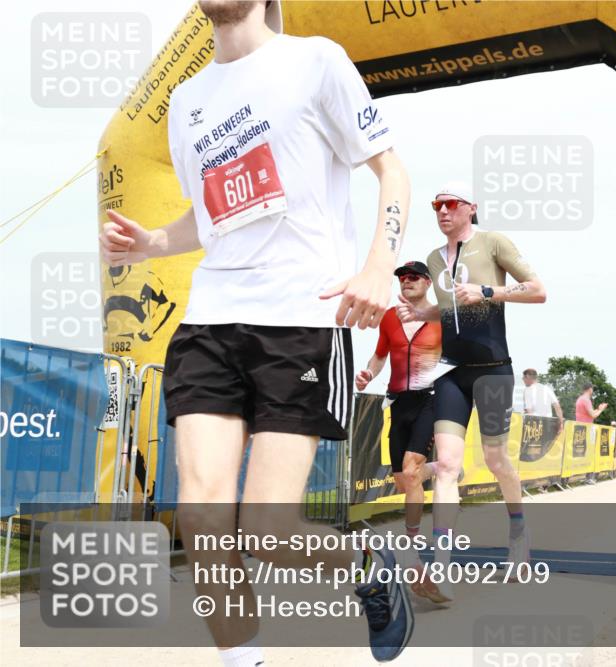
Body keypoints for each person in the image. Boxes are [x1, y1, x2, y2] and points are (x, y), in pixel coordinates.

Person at [99, 1, 413, 662]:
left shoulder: (315, 60)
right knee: (203, 518)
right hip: (211, 321)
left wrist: (379, 264)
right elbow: (206, 214)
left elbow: (391, 170)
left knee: (268, 529)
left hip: (299, 321)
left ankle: (369, 565)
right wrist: (152, 240)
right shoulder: (186, 100)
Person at [397, 181, 546, 602]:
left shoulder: (492, 243)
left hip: (493, 371)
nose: (442, 211)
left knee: (498, 462)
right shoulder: (431, 260)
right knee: (445, 467)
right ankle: (439, 565)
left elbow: (538, 289)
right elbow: (448, 311)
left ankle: (519, 531)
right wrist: (427, 311)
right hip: (451, 372)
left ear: (470, 209)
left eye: (450, 204)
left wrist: (487, 291)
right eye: (436, 205)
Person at [355, 260, 444, 601]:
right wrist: (367, 374)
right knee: (402, 479)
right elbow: (380, 356)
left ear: (427, 282)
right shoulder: (390, 317)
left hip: (429, 400)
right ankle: (439, 469)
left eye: (412, 278)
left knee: (409, 470)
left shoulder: (440, 318)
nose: (405, 283)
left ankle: (410, 544)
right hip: (398, 402)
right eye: (401, 279)